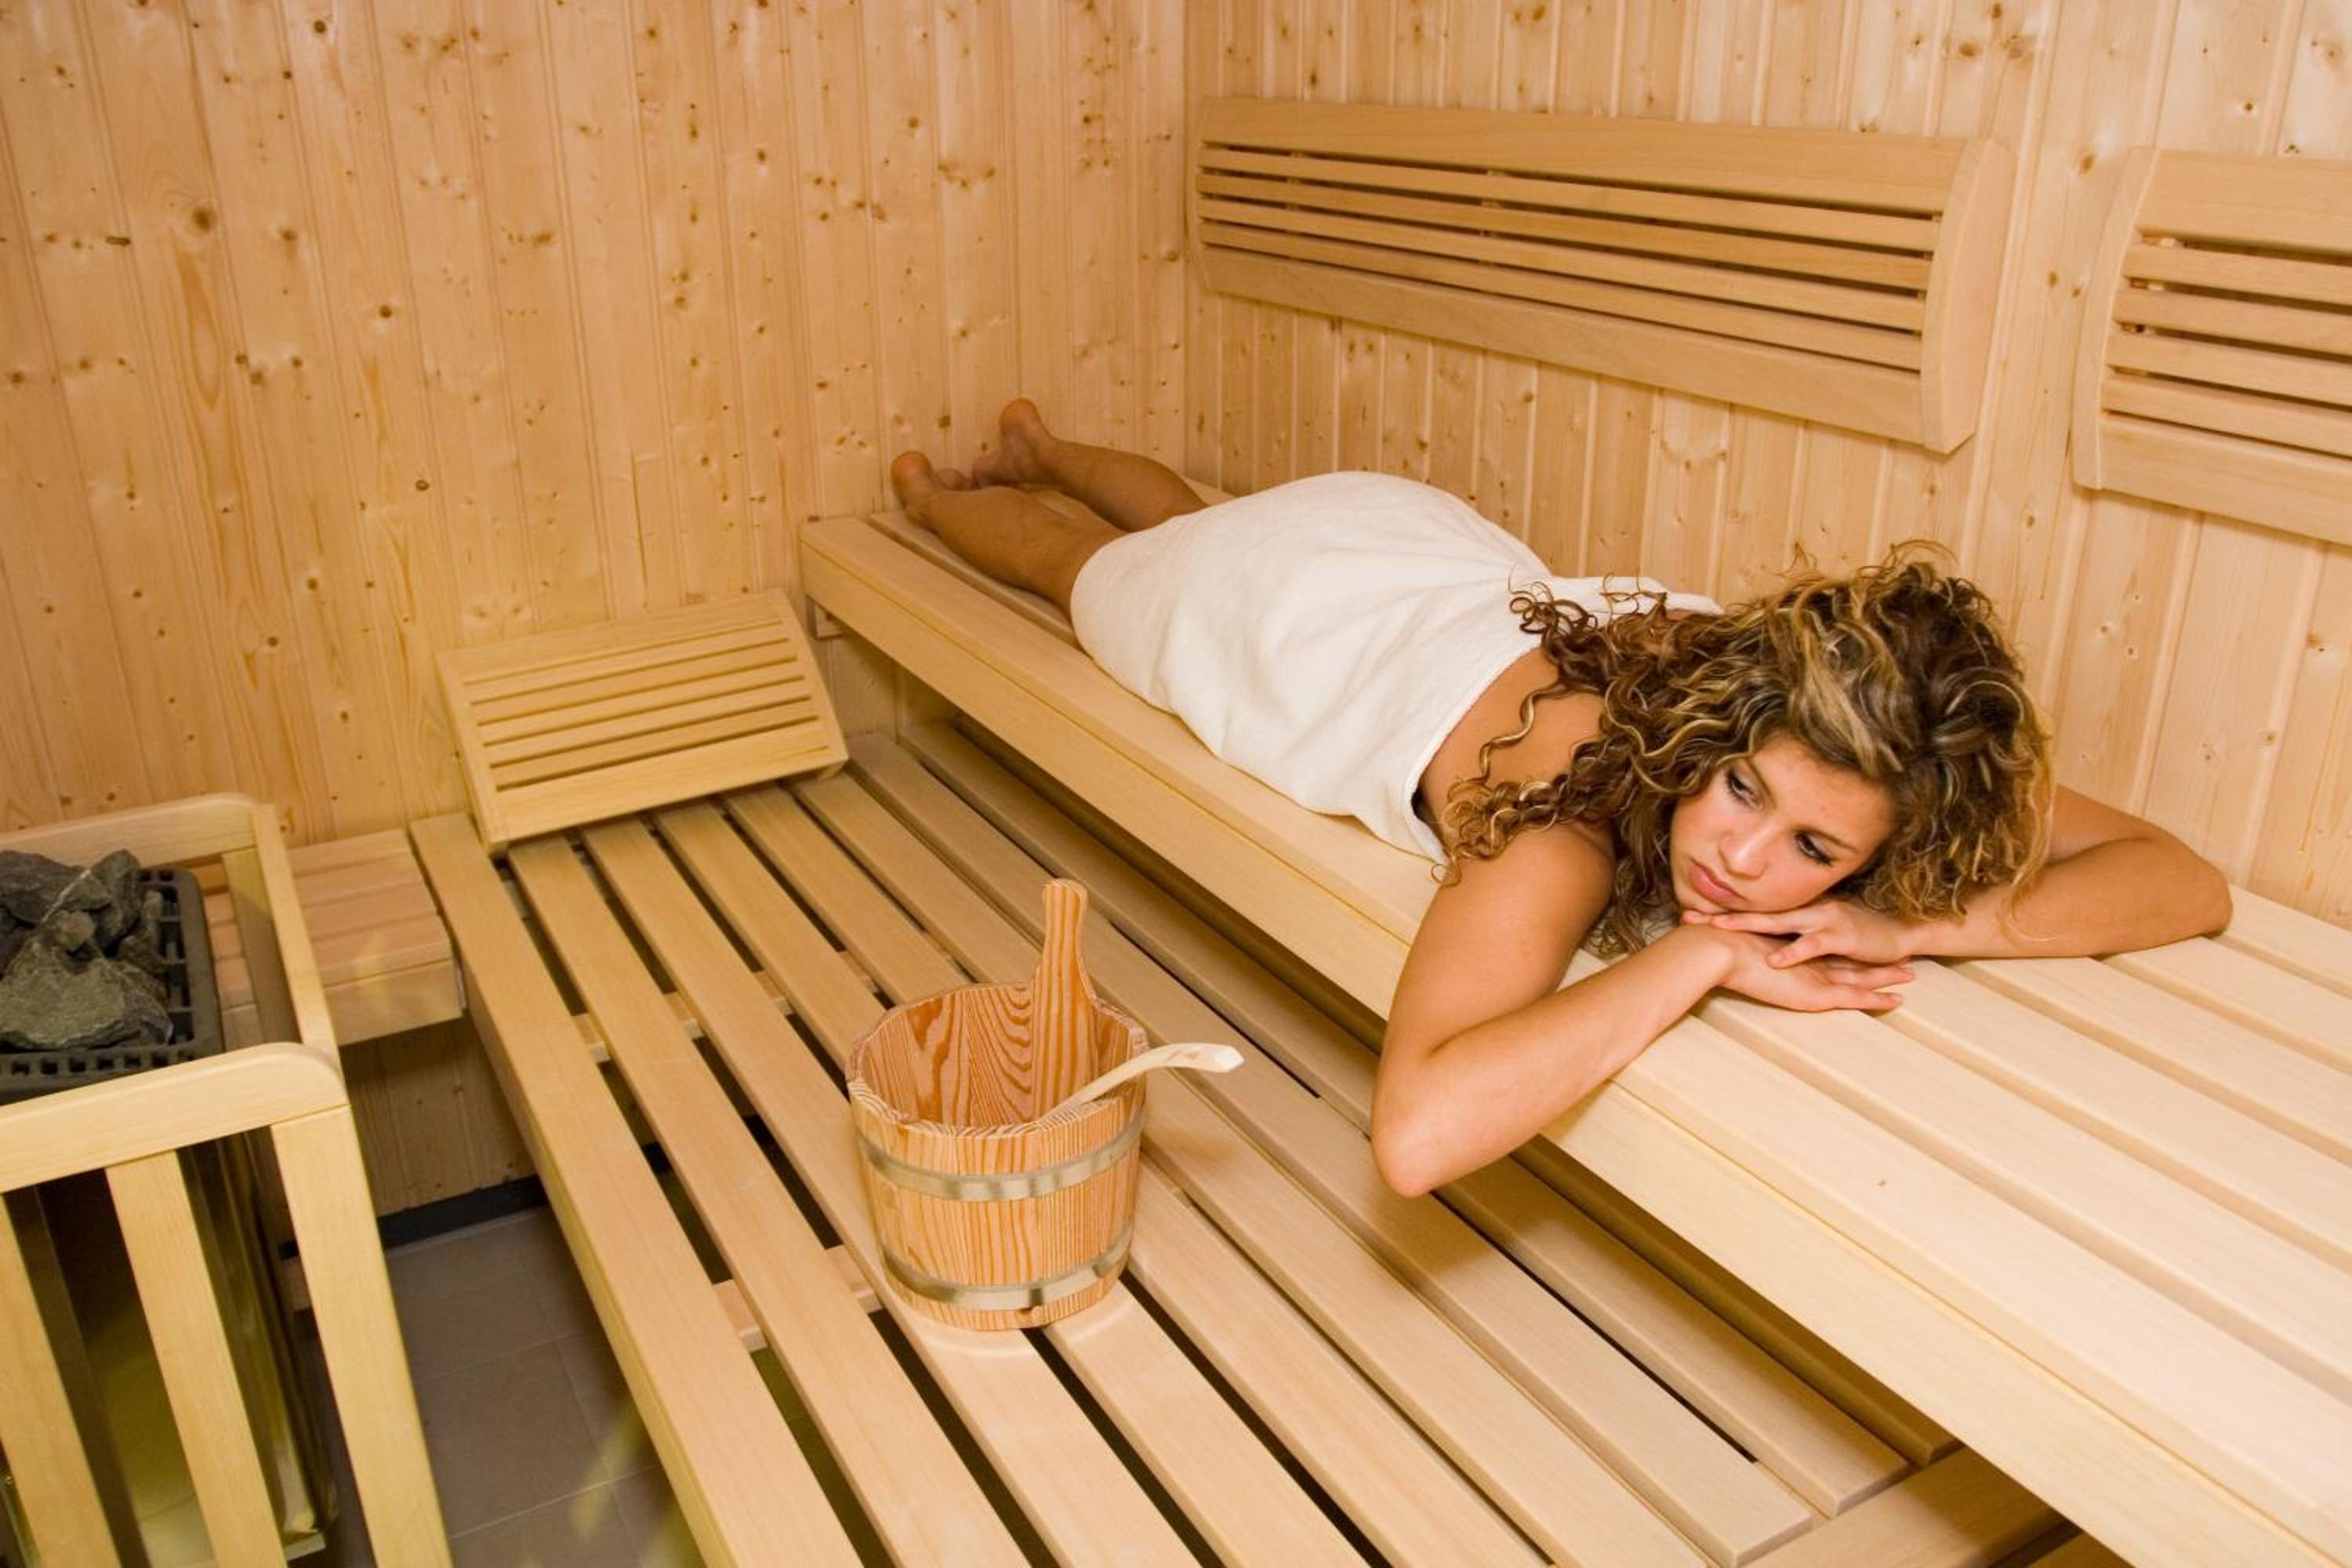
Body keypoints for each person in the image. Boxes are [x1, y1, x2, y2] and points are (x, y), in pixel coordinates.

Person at [888, 401, 2233, 1197]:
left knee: (1194, 515)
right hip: (1295, 621)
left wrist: (1918, 926)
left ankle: (1044, 440)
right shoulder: (1573, 792)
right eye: (1740, 789)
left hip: (1424, 555)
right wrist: (1702, 956)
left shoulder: (1865, 735)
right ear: (1722, 723)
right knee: (1098, 567)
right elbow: (1417, 1134)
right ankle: (948, 495)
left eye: (1814, 847)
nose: (1739, 857)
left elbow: (2184, 879)